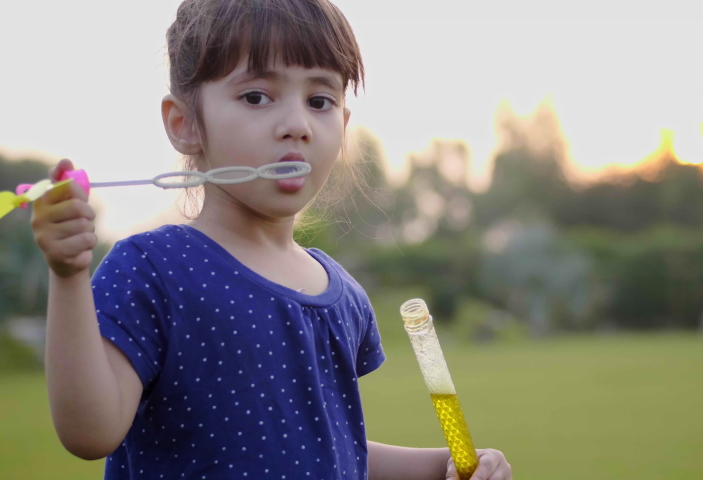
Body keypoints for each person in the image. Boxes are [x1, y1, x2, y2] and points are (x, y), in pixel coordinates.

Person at [29, 0, 512, 479]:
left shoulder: (343, 295)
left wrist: (444, 466)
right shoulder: (152, 270)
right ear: (185, 124)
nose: (297, 126)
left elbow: (332, 451)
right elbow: (89, 432)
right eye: (257, 96)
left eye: (319, 101)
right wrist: (69, 276)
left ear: (342, 126)